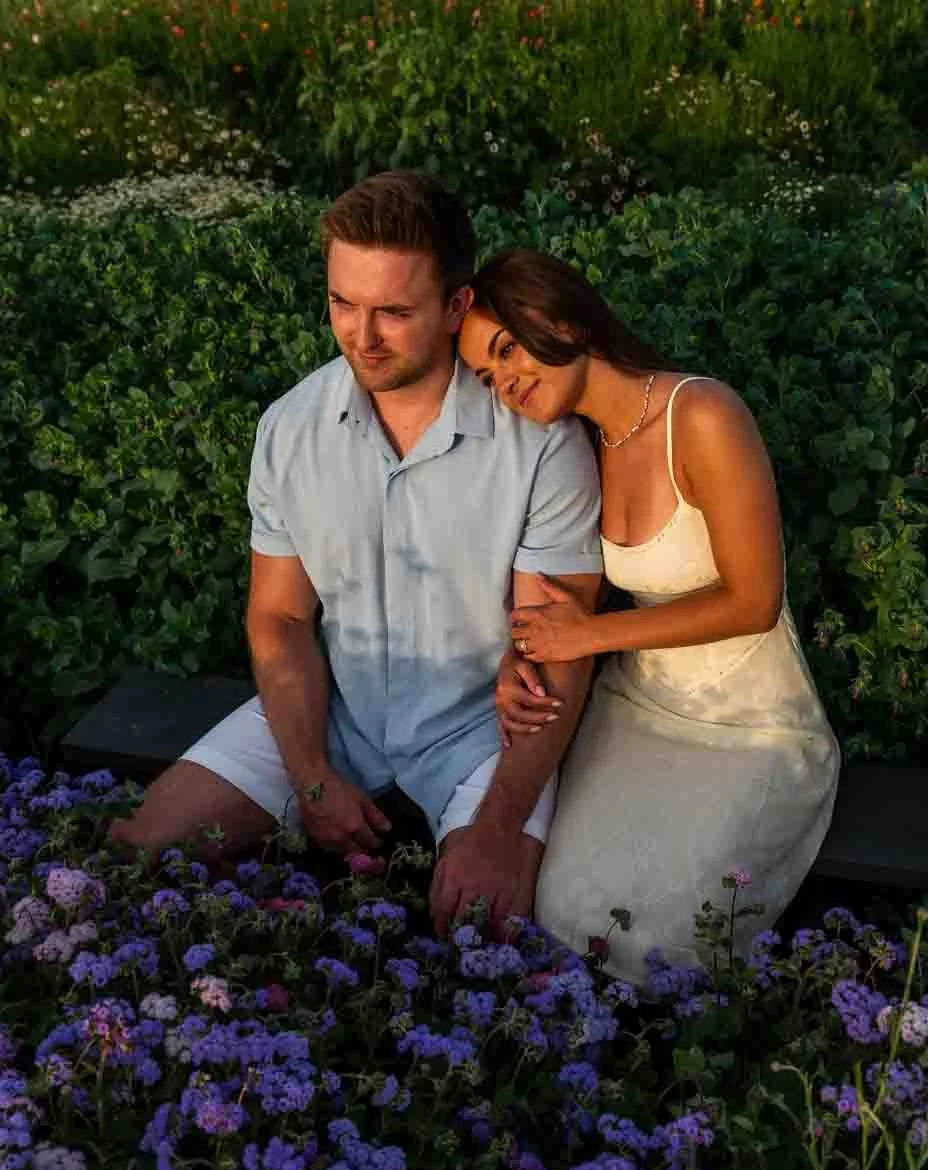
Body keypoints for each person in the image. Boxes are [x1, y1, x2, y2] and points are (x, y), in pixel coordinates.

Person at [108, 173, 606, 941]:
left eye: (394, 312)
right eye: (344, 303)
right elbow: (277, 616)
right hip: (335, 710)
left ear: (456, 306)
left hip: (484, 730)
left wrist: (500, 824)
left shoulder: (540, 442)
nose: (361, 336)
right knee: (139, 854)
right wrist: (309, 775)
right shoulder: (290, 428)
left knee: (483, 931)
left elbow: (559, 652)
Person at [457, 248, 841, 983]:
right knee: (560, 905)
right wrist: (524, 651)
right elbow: (567, 602)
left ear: (556, 311)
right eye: (486, 376)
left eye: (506, 349)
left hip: (753, 724)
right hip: (639, 710)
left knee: (658, 937)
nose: (505, 381)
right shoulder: (577, 446)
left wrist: (588, 635)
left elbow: (755, 600)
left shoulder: (701, 414)